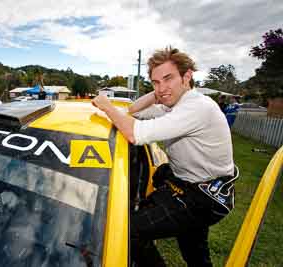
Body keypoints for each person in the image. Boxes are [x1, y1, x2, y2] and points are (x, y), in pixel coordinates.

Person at [92, 47, 236, 267]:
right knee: (194, 250)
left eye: (168, 78)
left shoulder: (197, 107)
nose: (161, 87)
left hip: (204, 196)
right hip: (188, 182)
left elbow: (135, 133)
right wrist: (163, 90)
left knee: (128, 233)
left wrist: (107, 106)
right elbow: (133, 111)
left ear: (187, 76)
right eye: (155, 82)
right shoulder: (174, 106)